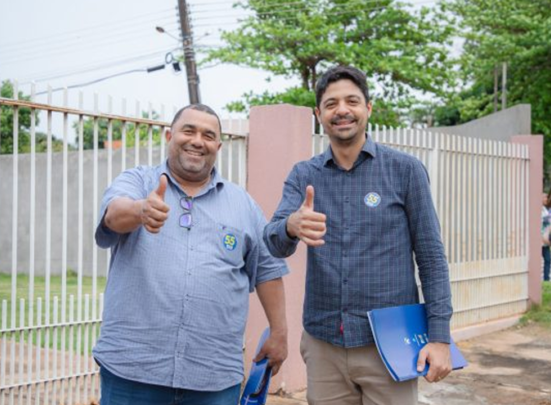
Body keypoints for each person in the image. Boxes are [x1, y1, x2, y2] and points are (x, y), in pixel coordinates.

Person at [263, 66, 453, 405]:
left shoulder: (405, 170)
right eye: (331, 103)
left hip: (389, 346)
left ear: (368, 108)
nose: (342, 110)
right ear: (318, 114)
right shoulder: (304, 175)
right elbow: (274, 243)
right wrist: (291, 225)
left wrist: (440, 338)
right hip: (324, 346)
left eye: (352, 100)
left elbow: (431, 257)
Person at [93, 104, 289, 405]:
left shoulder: (243, 204)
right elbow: (113, 216)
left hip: (213, 376)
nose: (198, 141)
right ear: (170, 135)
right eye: (189, 131)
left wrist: (279, 332)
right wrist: (140, 210)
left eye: (208, 135)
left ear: (218, 146)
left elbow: (267, 269)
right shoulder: (138, 182)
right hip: (133, 370)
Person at [542, 192, 551, 282]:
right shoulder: (537, 210)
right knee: (536, 262)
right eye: (545, 197)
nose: (547, 199)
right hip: (541, 240)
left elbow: (547, 223)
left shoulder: (545, 209)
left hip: (546, 239)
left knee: (548, 260)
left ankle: (546, 279)